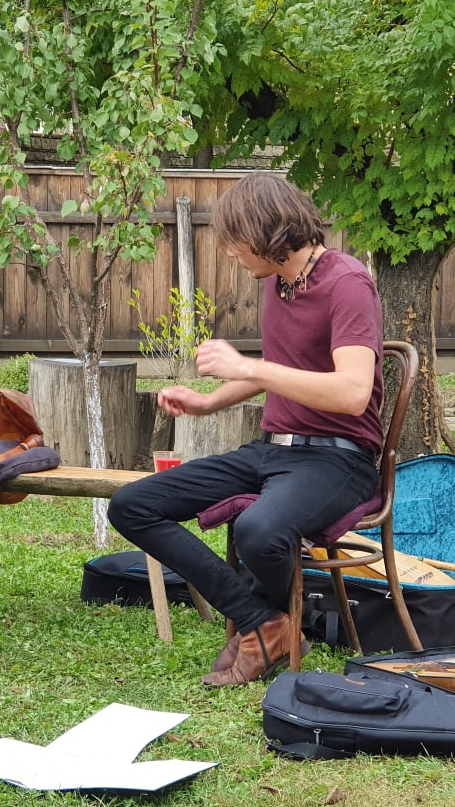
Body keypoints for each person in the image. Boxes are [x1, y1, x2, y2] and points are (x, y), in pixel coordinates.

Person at [108, 174, 383, 688]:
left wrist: (250, 369)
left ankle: (262, 625)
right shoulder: (278, 285)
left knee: (259, 530)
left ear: (265, 232)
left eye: (235, 242)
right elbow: (281, 369)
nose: (231, 254)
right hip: (271, 451)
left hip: (339, 460)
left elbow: (352, 392)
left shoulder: (347, 283)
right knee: (131, 505)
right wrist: (208, 402)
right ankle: (267, 621)